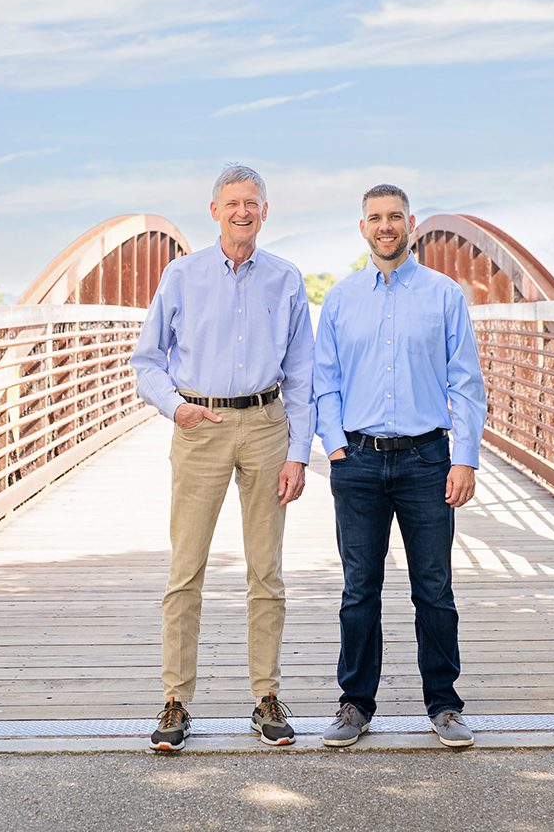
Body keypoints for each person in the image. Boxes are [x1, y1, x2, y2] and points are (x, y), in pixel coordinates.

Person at [131, 164, 314, 751]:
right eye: (232, 203)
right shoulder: (181, 275)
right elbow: (146, 360)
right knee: (186, 569)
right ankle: (175, 701)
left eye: (252, 203)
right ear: (214, 211)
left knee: (267, 571)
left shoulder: (287, 279)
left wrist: (299, 454)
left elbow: (304, 375)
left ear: (265, 211)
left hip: (266, 424)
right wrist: (173, 407)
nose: (243, 212)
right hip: (200, 425)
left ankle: (265, 695)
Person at [314, 183, 486, 749]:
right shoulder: (340, 299)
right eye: (374, 218)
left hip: (427, 460)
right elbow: (325, 382)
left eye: (394, 217)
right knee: (358, 589)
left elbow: (465, 383)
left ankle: (444, 704)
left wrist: (464, 459)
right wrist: (335, 446)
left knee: (433, 588)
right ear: (362, 227)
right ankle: (355, 704)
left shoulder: (443, 295)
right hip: (358, 461)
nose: (385, 226)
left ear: (410, 223)